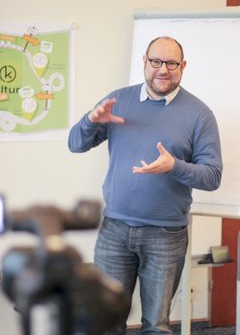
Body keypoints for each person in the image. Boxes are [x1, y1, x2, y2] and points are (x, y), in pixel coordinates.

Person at [68, 36, 223, 334]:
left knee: (157, 325)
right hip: (114, 230)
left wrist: (173, 166)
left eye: (171, 63)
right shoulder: (119, 100)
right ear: (144, 61)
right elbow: (75, 144)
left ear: (183, 66)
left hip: (166, 235)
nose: (163, 70)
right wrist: (90, 120)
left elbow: (212, 176)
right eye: (156, 62)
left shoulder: (199, 115)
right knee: (105, 322)